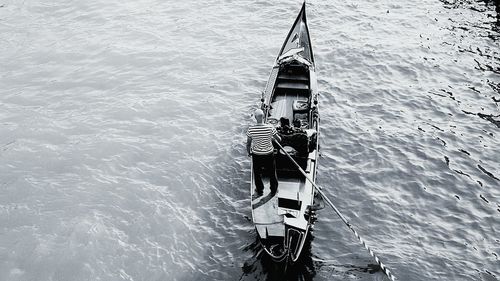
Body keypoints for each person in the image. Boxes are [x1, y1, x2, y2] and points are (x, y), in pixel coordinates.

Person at [246, 109, 281, 196]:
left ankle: (260, 191)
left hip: (256, 155)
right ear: (264, 117)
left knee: (257, 174)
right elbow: (279, 139)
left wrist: (249, 152)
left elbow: (248, 144)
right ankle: (273, 190)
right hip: (269, 154)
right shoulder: (270, 127)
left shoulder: (251, 129)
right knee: (272, 172)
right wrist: (271, 138)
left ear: (255, 118)